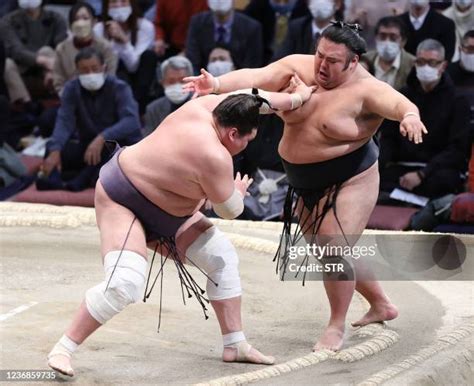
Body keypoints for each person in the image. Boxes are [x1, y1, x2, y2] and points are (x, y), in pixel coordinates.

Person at [47, 70, 316, 376]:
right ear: (232, 135)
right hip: (123, 200)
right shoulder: (216, 156)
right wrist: (238, 191)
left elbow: (258, 99)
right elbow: (229, 210)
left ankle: (235, 343)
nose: (247, 145)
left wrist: (298, 97)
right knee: (125, 283)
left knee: (222, 257)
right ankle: (63, 350)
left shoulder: (207, 105)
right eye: (247, 139)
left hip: (172, 214)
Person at [184, 21, 428, 351]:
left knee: (333, 247)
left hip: (352, 177)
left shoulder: (367, 91)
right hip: (304, 181)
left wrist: (410, 117)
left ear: (352, 62)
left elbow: (401, 105)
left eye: (332, 61)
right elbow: (256, 78)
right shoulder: (299, 67)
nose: (321, 66)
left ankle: (336, 325)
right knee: (329, 249)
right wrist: (215, 83)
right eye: (319, 55)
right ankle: (382, 304)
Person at [40, 47, 142, 192]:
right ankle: (75, 177)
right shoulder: (72, 88)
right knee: (53, 147)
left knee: (111, 161)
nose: (90, 74)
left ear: (104, 68)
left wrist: (102, 138)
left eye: (94, 68)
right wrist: (55, 149)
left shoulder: (119, 87)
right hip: (89, 147)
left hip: (118, 147)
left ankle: (80, 179)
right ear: (77, 72)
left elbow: (131, 121)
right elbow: (64, 121)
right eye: (85, 70)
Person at [379, 39, 470, 200]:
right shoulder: (403, 95)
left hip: (437, 169)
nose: (425, 67)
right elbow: (388, 138)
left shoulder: (458, 100)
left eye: (432, 62)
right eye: (421, 62)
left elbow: (457, 148)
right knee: (374, 179)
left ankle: (404, 199)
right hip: (402, 167)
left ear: (443, 66)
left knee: (443, 182)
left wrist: (422, 174)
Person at [94, 0, 156, 113]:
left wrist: (123, 40)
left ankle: (137, 109)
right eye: (113, 2)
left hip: (138, 79)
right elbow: (107, 63)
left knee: (149, 56)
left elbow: (133, 66)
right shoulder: (98, 29)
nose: (118, 5)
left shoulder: (145, 27)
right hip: (111, 75)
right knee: (117, 65)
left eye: (123, 1)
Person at [185, 0, 263, 74]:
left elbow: (252, 64)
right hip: (204, 76)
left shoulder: (251, 27)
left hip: (239, 79)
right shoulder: (197, 22)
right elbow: (193, 60)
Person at [142, 55, 193, 136]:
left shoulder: (203, 103)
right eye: (171, 81)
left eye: (182, 81)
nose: (177, 85)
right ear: (162, 83)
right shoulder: (153, 109)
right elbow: (146, 141)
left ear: (192, 81)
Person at [363, 16, 415, 90]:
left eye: (393, 37)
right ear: (376, 38)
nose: (387, 41)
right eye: (382, 36)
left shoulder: (413, 65)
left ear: (403, 41)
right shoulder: (363, 60)